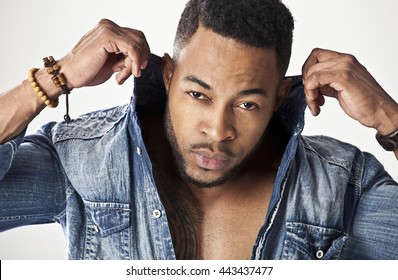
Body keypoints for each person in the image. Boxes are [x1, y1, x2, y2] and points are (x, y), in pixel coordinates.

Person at [0, 0, 397, 260]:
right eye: (198, 94)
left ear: (279, 98)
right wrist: (54, 78)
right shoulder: (82, 158)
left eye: (247, 104)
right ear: (168, 75)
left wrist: (389, 119)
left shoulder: (341, 185)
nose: (217, 129)